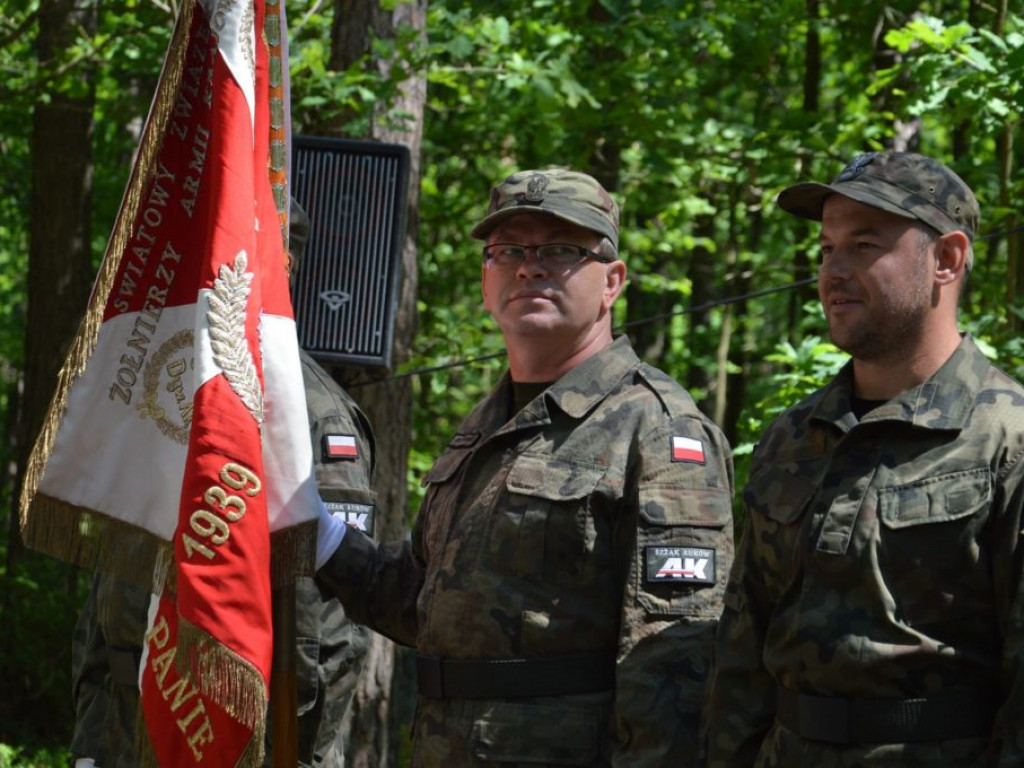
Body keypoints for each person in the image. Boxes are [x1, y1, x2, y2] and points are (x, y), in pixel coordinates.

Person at [315, 167, 736, 766]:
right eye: (508, 250)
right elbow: (426, 606)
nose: (529, 267)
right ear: (487, 279)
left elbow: (676, 671)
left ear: (612, 281)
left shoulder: (657, 429)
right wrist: (320, 535)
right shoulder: (486, 426)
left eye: (561, 250)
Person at [706, 150, 1024, 766]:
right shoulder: (793, 435)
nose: (833, 270)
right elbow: (742, 652)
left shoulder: (1006, 438)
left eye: (863, 245)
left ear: (947, 259)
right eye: (826, 249)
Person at [70, 199, 377, 767]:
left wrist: (297, 755)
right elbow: (110, 585)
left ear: (272, 263)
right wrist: (90, 748)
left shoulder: (313, 416)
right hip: (128, 735)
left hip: (247, 744)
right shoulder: (155, 392)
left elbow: (324, 629)